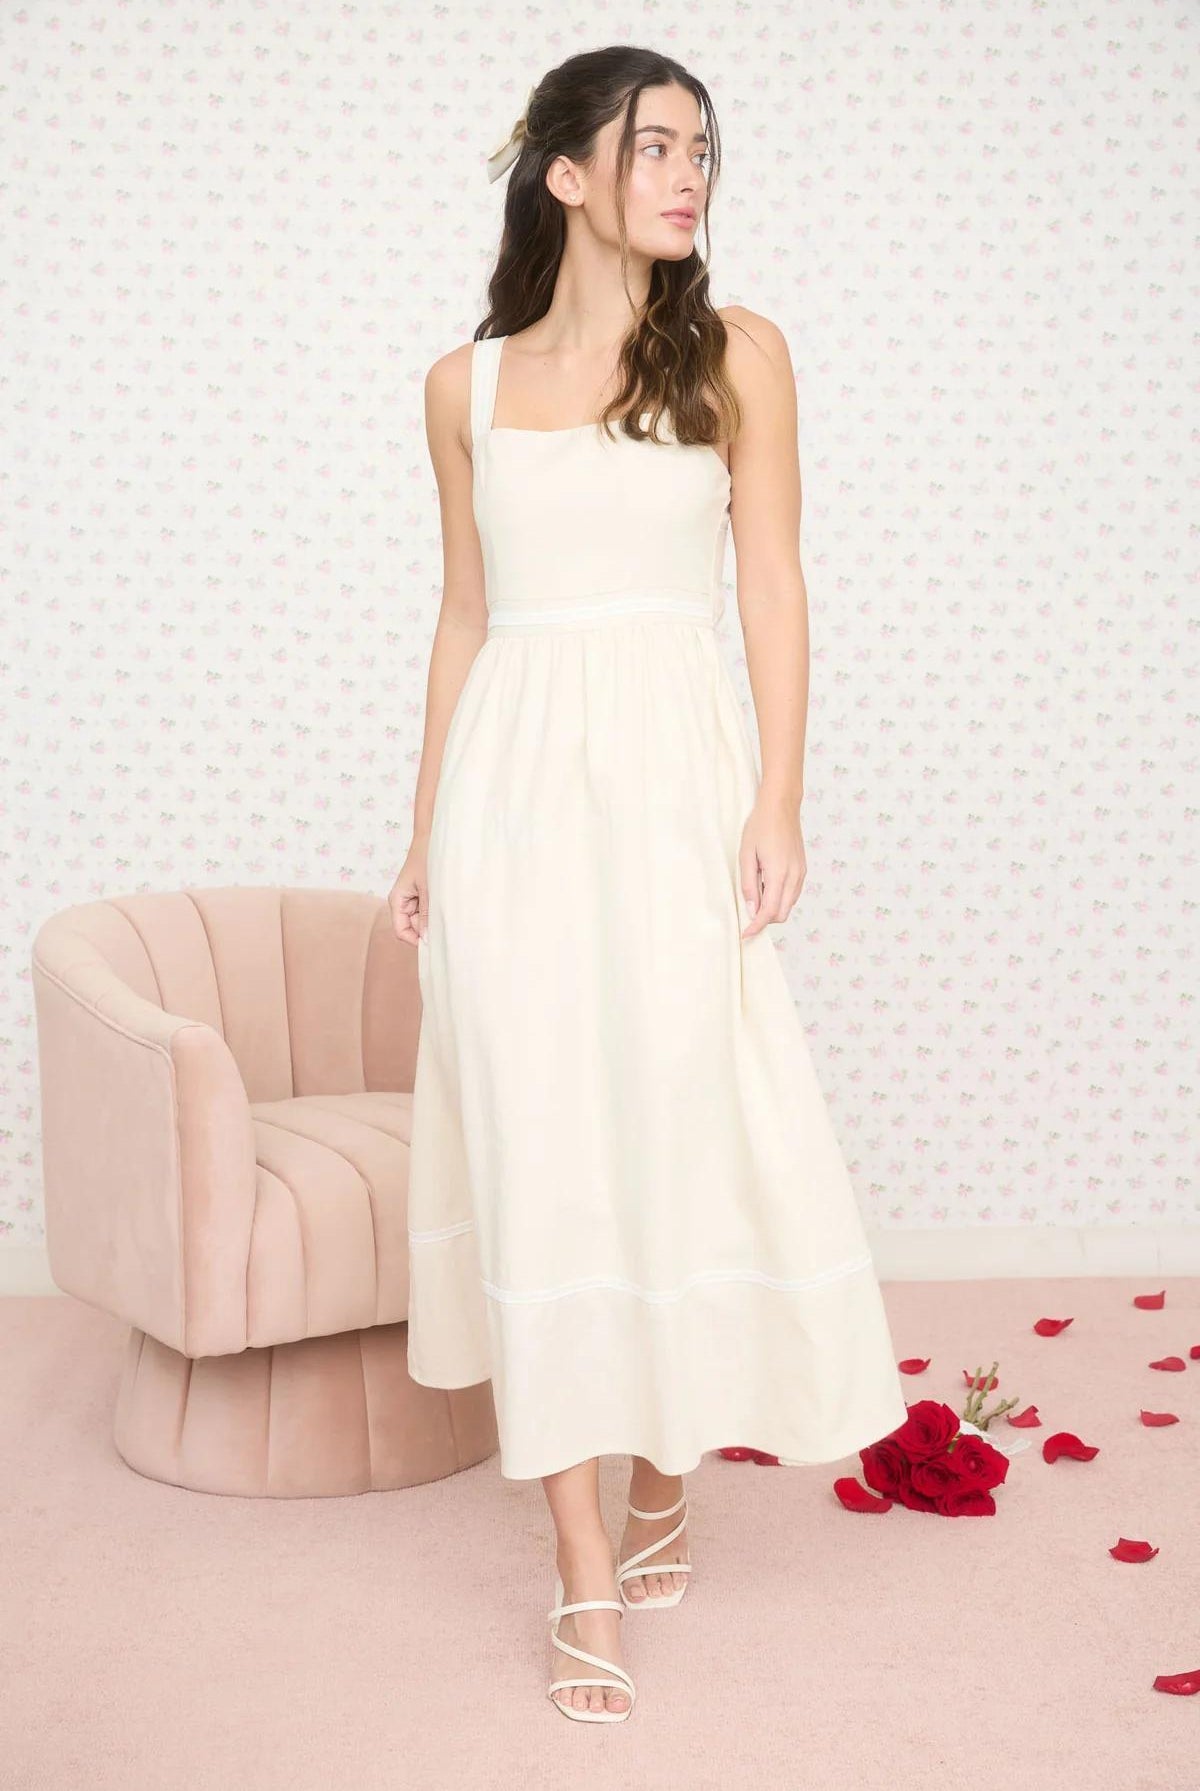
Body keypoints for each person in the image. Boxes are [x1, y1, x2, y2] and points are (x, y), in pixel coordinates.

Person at [388, 45, 909, 1723]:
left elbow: (774, 586)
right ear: (566, 174)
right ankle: (583, 1565)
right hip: (511, 806)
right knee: (541, 1150)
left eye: (703, 150)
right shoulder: (462, 387)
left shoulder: (740, 354)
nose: (690, 176)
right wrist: (424, 834)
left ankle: (669, 1468)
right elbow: (465, 616)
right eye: (656, 146)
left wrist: (779, 797)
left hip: (679, 790)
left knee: (681, 1125)